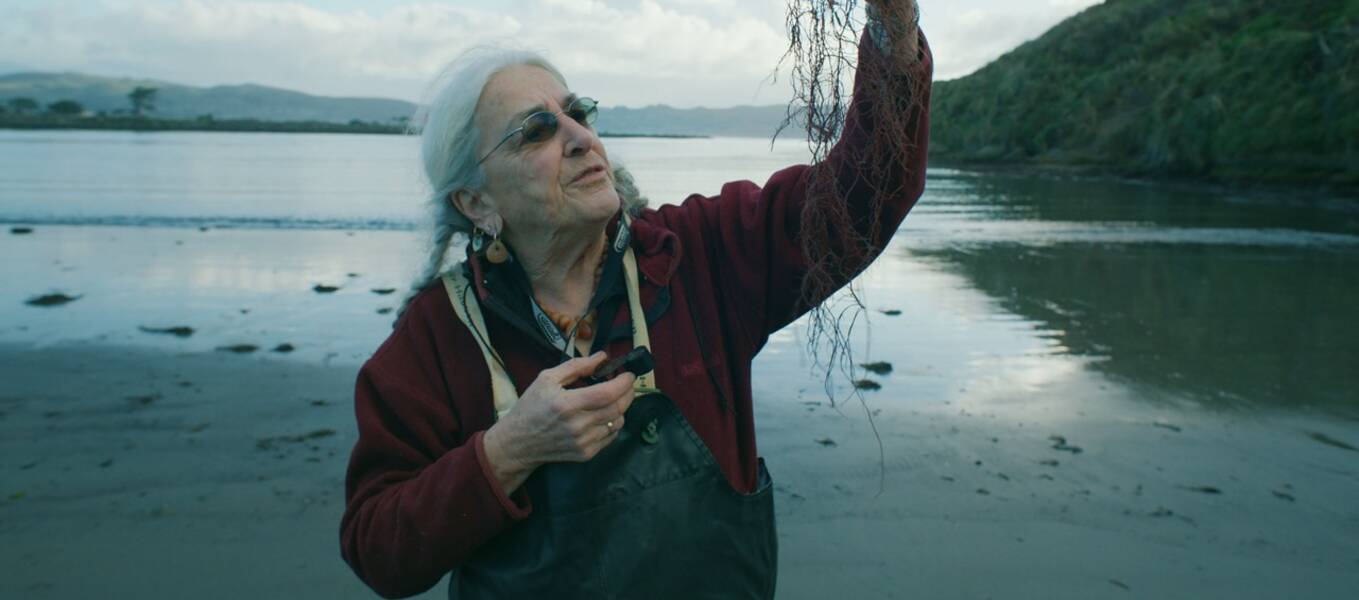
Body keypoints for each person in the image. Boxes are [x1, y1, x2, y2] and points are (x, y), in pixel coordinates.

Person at [340, 4, 932, 598]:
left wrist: (893, 27)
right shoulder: (439, 334)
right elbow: (379, 549)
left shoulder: (698, 255)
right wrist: (505, 453)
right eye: (536, 132)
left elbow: (858, 198)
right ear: (476, 203)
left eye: (577, 113)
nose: (579, 137)